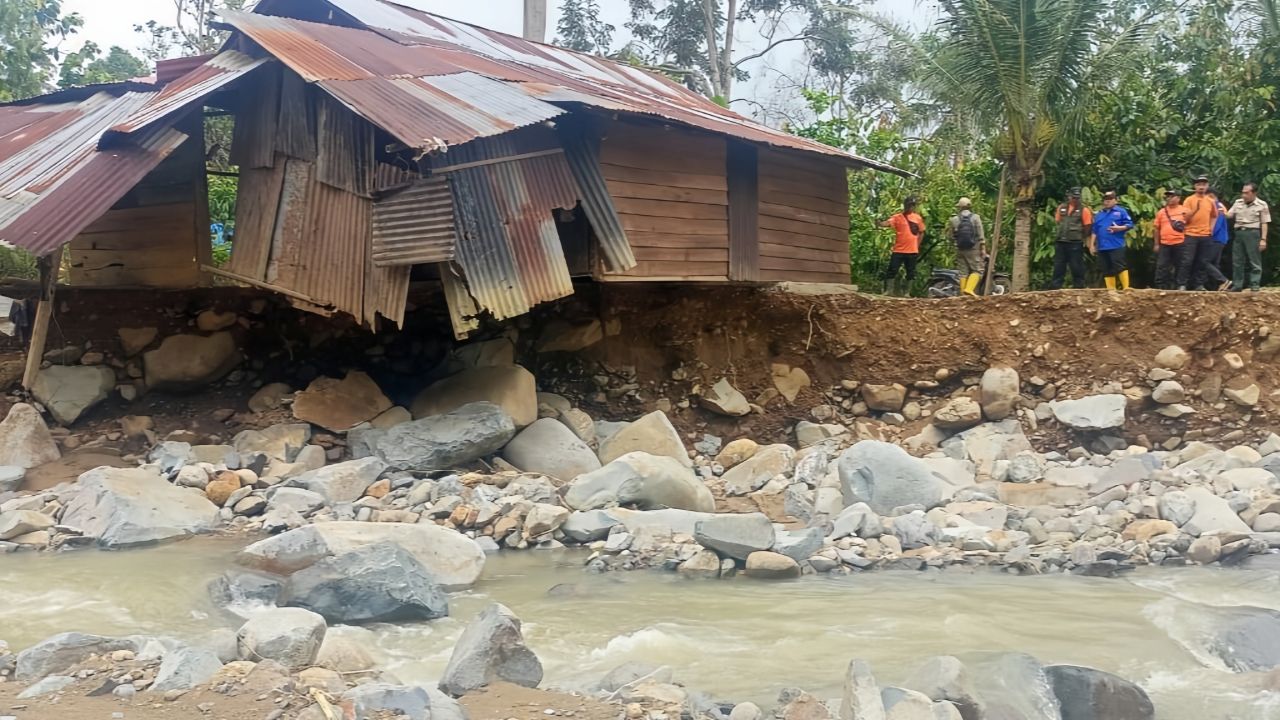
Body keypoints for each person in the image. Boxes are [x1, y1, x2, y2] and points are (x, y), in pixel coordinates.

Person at [1227, 182, 1271, 292]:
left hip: (1253, 232)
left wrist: (1263, 239)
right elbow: (1229, 215)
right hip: (1239, 232)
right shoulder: (1238, 202)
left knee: (1254, 260)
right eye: (1243, 193)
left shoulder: (1261, 204)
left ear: (1254, 193)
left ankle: (1254, 284)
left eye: (1247, 193)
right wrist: (1219, 208)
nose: (1244, 195)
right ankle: (1237, 285)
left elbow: (1264, 222)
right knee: (1237, 260)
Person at [879, 197, 925, 295]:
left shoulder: (917, 218)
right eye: (909, 205)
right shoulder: (897, 217)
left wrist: (917, 244)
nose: (910, 207)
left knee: (911, 272)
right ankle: (889, 291)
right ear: (905, 206)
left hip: (912, 250)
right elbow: (887, 223)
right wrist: (879, 223)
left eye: (912, 205)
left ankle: (907, 292)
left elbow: (921, 232)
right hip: (899, 249)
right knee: (892, 269)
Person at [1049, 188, 1093, 289]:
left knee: (1076, 265)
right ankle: (1056, 287)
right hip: (1061, 241)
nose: (1075, 200)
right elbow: (1058, 221)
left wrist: (1082, 237)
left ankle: (1079, 286)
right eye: (1073, 197)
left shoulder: (1084, 210)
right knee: (1059, 265)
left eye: (1077, 198)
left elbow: (1087, 226)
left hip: (1075, 242)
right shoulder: (1062, 207)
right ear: (1068, 197)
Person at [1090, 191, 1134, 290]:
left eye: (1110, 200)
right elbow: (1094, 230)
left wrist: (1120, 228)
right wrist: (1092, 245)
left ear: (1115, 200)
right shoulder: (1099, 214)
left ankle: (1126, 288)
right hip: (1102, 246)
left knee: (1119, 266)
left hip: (1116, 244)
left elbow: (1130, 224)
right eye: (1106, 200)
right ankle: (1111, 290)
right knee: (1106, 268)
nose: (1107, 202)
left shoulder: (1121, 211)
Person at [1181, 175, 1219, 290]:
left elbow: (1214, 216)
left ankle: (1199, 284)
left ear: (1207, 186)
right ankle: (1182, 284)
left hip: (1205, 235)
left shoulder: (1210, 201)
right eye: (1199, 184)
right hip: (1190, 234)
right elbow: (1185, 218)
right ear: (1195, 186)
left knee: (1202, 261)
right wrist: (1195, 210)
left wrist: (1211, 228)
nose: (1201, 187)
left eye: (1204, 184)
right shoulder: (1189, 200)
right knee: (1187, 260)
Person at [1190, 189, 1233, 291]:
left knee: (1204, 261)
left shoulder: (1217, 207)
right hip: (1219, 239)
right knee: (1214, 264)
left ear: (1211, 196)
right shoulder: (1219, 207)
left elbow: (1216, 225)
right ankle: (1217, 287)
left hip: (1215, 239)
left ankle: (1223, 280)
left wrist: (1207, 235)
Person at [946, 197, 986, 296]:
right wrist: (983, 248)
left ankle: (963, 295)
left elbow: (950, 236)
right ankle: (969, 289)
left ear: (959, 207)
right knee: (978, 270)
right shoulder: (976, 217)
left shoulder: (954, 219)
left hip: (960, 249)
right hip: (973, 249)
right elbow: (980, 234)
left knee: (963, 272)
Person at [1154, 189, 1190, 289]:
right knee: (1162, 265)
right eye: (1168, 196)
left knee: (1180, 265)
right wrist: (1156, 244)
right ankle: (1160, 286)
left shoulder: (1185, 211)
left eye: (1172, 196)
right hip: (1165, 243)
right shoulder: (1161, 212)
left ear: (1178, 198)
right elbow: (1156, 228)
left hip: (1180, 242)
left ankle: (1180, 285)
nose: (1169, 198)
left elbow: (1190, 224)